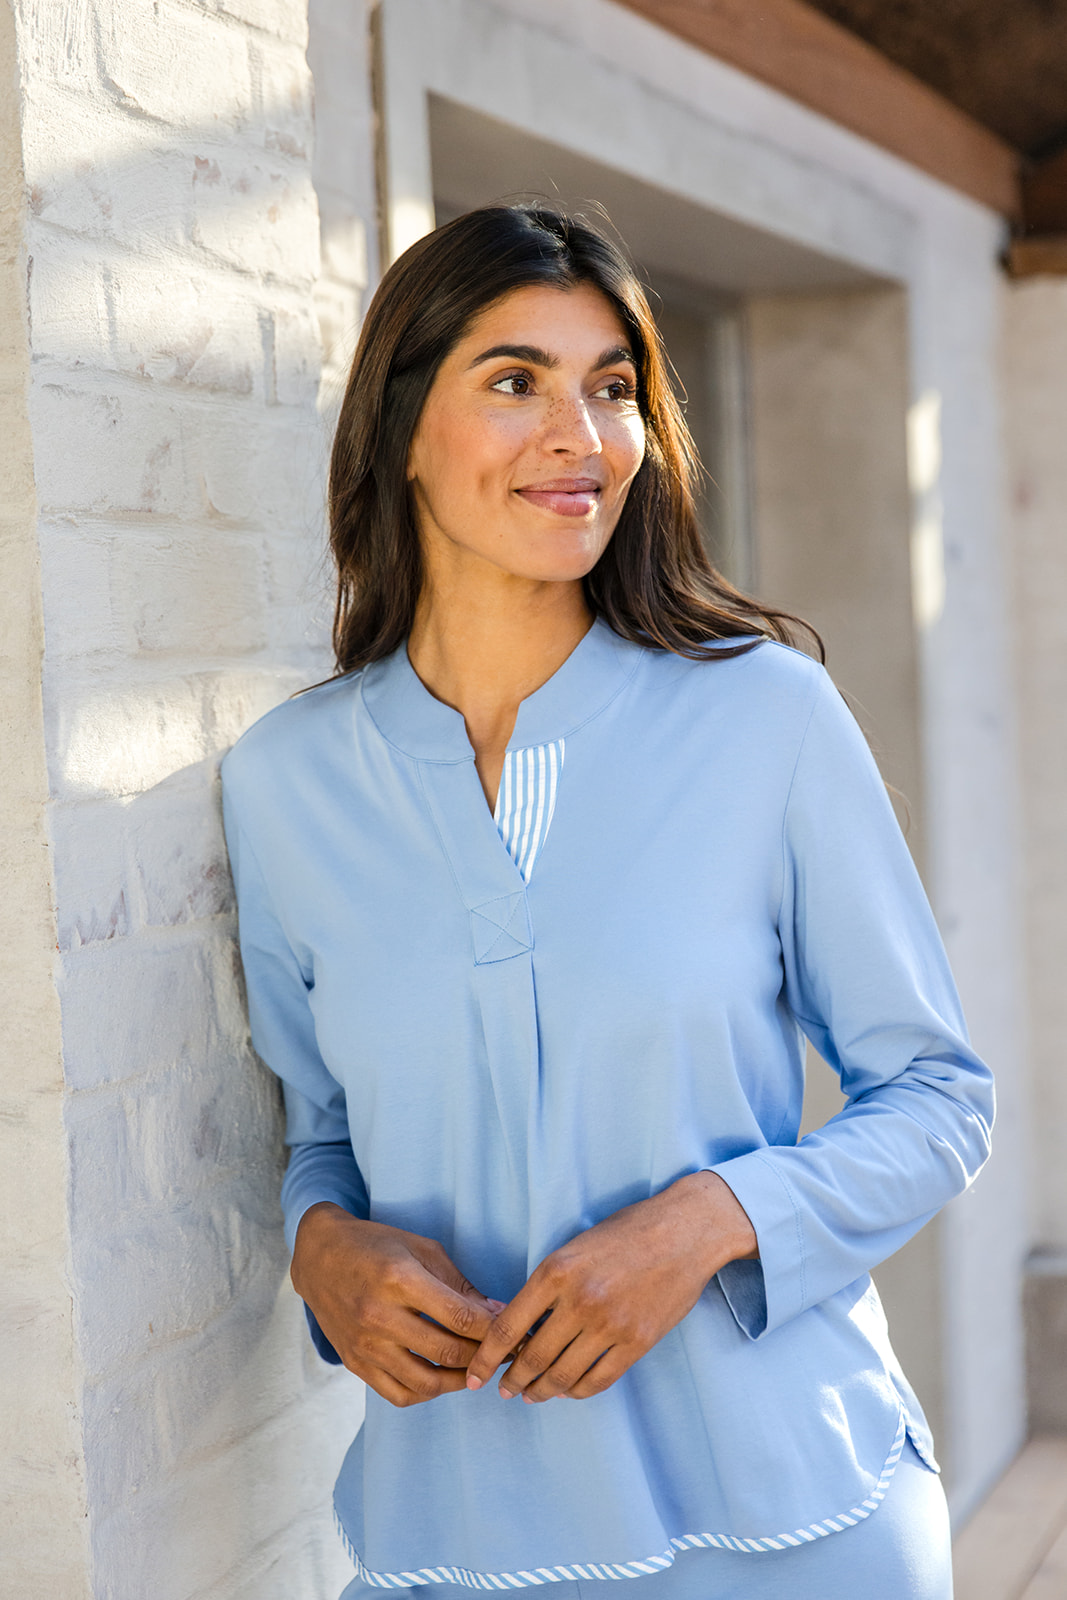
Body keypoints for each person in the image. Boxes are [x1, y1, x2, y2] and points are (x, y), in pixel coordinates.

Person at [220, 204, 992, 1599]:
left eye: (613, 387)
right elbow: (320, 1135)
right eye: (515, 380)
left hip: (803, 1525)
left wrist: (710, 1222)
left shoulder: (766, 719)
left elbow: (938, 1096)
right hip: (457, 1537)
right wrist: (320, 1250)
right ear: (400, 430)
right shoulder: (286, 785)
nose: (581, 431)